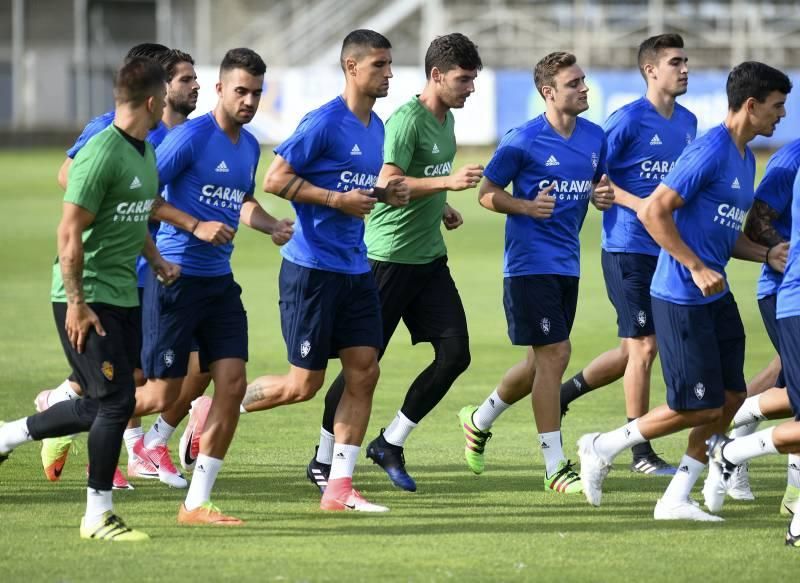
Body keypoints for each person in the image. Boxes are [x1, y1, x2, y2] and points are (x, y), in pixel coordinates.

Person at [578, 61, 791, 522]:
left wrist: (763, 253)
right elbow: (655, 211)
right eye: (777, 107)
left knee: (732, 398)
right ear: (750, 105)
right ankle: (603, 445)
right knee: (695, 406)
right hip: (680, 295)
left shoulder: (743, 156)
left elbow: (723, 231)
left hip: (716, 296)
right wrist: (694, 266)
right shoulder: (709, 151)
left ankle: (676, 496)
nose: (783, 116)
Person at [282, 32, 482, 493]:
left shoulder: (445, 120)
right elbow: (389, 182)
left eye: (473, 80)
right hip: (387, 258)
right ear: (437, 76)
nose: (469, 87)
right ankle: (323, 455)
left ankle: (390, 442)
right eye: (463, 79)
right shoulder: (406, 121)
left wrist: (441, 206)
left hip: (428, 258)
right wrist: (446, 186)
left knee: (456, 354)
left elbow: (420, 183)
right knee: (362, 365)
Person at [225, 29, 408, 512]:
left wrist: (384, 193)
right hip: (312, 269)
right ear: (352, 67)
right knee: (302, 386)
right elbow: (275, 179)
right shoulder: (324, 122)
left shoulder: (376, 126)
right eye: (380, 65)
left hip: (355, 267)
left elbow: (357, 184)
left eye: (390, 65)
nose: (389, 74)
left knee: (364, 371)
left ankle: (339, 488)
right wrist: (334, 199)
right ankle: (217, 407)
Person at [0, 57, 180, 541]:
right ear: (150, 100)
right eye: (164, 96)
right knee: (116, 402)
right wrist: (77, 303)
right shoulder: (101, 153)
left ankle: (8, 434)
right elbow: (68, 231)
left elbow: (135, 214)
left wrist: (156, 258)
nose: (167, 104)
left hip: (123, 293)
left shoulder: (144, 152)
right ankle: (97, 514)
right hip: (88, 295)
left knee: (109, 398)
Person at [37, 46, 216, 490]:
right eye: (183, 79)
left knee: (177, 371)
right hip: (110, 273)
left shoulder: (176, 137)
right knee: (124, 384)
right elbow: (71, 178)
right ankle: (80, 427)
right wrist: (183, 222)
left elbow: (142, 203)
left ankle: (138, 441)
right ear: (157, 92)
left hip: (158, 268)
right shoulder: (112, 133)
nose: (193, 87)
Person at [135, 48, 293, 526]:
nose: (249, 101)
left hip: (220, 284)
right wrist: (194, 225)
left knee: (231, 384)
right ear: (220, 89)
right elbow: (140, 194)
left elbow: (239, 200)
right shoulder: (189, 138)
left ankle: (196, 503)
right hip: (176, 280)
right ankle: (48, 422)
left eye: (257, 93)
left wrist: (269, 225)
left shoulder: (248, 146)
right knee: (159, 396)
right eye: (240, 90)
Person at [457, 52, 614, 494]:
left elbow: (599, 186)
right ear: (549, 92)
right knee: (556, 354)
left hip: (568, 264)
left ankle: (478, 418)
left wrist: (601, 196)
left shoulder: (594, 138)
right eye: (574, 83)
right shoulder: (522, 140)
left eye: (584, 80)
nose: (584, 88)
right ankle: (554, 465)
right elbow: (486, 193)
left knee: (538, 361)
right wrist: (525, 206)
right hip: (528, 265)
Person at [558, 34, 696, 477]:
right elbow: (597, 178)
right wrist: (634, 205)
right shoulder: (628, 121)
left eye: (686, 61)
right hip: (628, 249)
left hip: (668, 251)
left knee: (631, 350)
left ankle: (565, 394)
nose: (685, 68)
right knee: (646, 346)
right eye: (676, 62)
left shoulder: (689, 122)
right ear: (650, 70)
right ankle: (640, 451)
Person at [707, 164, 800, 547]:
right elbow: (754, 224)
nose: (781, 115)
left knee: (789, 390)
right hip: (787, 294)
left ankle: (732, 448)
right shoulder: (788, 163)